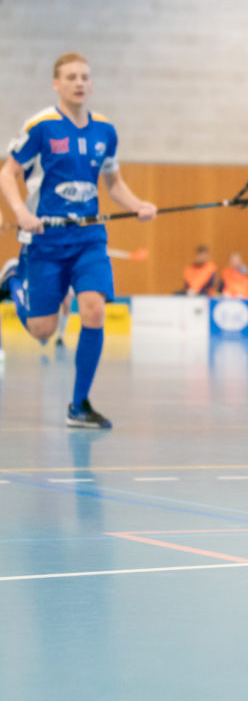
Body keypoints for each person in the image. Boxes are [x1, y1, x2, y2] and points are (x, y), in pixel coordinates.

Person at [0, 52, 157, 429]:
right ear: (56, 84)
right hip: (45, 241)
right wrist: (21, 213)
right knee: (43, 332)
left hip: (89, 239)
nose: (79, 83)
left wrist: (138, 205)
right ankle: (12, 279)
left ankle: (79, 405)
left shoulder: (105, 131)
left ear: (92, 83)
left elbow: (113, 183)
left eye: (85, 76)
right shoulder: (41, 126)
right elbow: (8, 173)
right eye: (70, 77)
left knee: (93, 310)